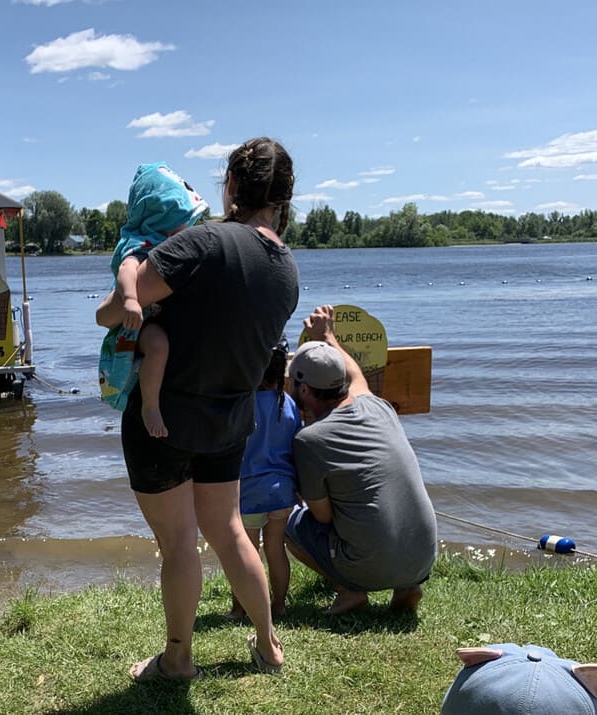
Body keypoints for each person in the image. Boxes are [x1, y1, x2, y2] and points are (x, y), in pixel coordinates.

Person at [96, 137, 299, 681]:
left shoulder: (201, 244)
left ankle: (178, 658)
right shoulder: (286, 269)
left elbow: (117, 308)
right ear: (284, 198)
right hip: (230, 420)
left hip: (162, 418)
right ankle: (267, 644)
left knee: (179, 544)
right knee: (229, 530)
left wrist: (109, 306)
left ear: (231, 185)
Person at [284, 304, 437, 615]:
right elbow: (356, 375)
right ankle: (407, 586)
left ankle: (350, 590)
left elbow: (323, 518)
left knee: (290, 525)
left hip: (367, 568)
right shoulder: (377, 407)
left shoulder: (309, 440)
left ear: (302, 388)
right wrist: (328, 335)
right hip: (423, 560)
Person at [97, 162, 208, 437]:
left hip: (155, 316)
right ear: (161, 218)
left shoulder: (174, 243)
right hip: (138, 320)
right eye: (181, 220)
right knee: (158, 345)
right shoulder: (142, 242)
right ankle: (150, 405)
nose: (187, 227)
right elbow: (127, 269)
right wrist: (132, 299)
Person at [227, 338, 302, 621]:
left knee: (245, 551)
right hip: (282, 491)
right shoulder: (290, 404)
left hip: (249, 492)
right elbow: (296, 445)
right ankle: (280, 605)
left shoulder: (243, 405)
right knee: (276, 549)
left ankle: (239, 608)